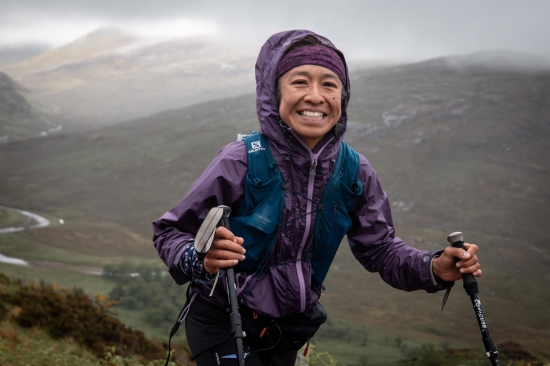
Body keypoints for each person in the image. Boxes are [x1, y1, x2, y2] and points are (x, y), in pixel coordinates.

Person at [153, 30, 482, 366]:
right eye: (299, 82)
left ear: (343, 96)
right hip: (222, 318)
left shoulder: (354, 170)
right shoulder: (241, 159)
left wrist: (434, 267)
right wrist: (201, 259)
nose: (315, 96)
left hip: (288, 330)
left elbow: (380, 249)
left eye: (329, 84)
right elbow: (169, 233)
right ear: (274, 93)